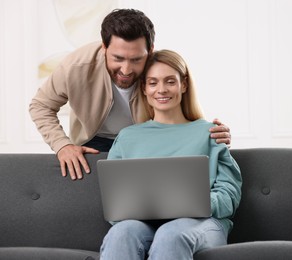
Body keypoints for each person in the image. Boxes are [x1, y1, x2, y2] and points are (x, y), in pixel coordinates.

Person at [29, 9, 231, 181]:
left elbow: (178, 106)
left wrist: (207, 135)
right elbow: (41, 106)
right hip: (94, 141)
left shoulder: (157, 69)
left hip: (144, 141)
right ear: (104, 47)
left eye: (136, 59)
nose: (126, 70)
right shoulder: (75, 67)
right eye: (118, 58)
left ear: (149, 51)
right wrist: (62, 146)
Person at [99, 49, 242, 259]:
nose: (162, 90)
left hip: (202, 224)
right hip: (144, 225)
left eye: (170, 81)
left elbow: (230, 194)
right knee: (121, 233)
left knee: (171, 234)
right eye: (153, 82)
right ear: (145, 89)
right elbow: (116, 206)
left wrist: (198, 203)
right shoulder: (127, 137)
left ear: (183, 85)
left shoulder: (210, 132)